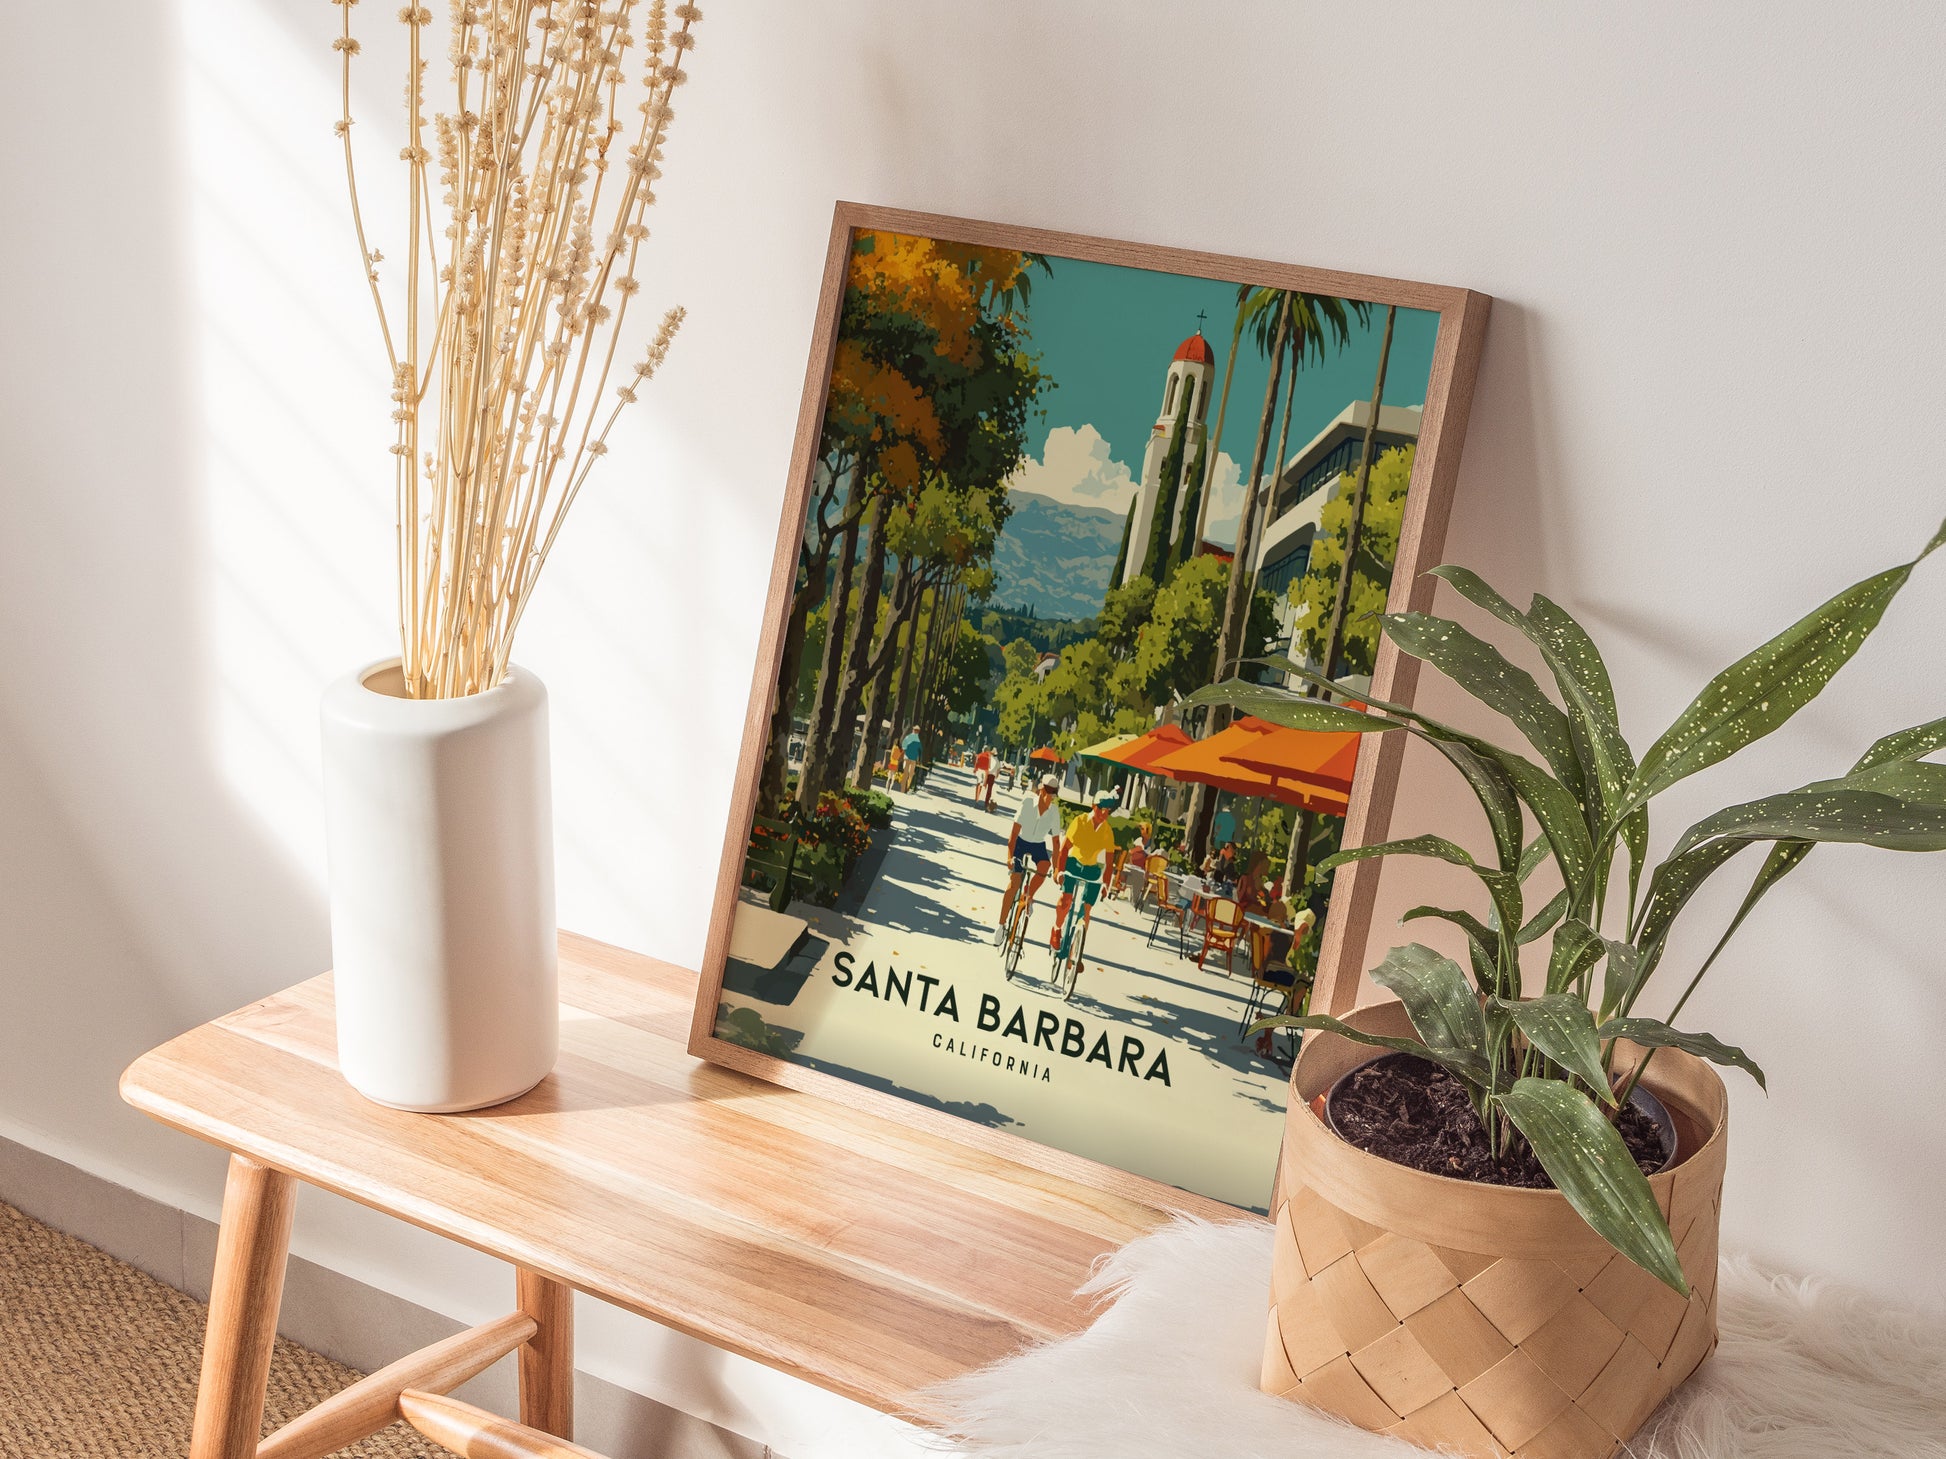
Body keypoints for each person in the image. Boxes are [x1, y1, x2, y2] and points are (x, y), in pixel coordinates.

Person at [1052, 789, 1120, 963]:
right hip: (1073, 863)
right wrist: (1059, 871)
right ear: (1093, 806)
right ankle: (1057, 928)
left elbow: (1110, 861)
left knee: (1086, 910)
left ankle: (1075, 952)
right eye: (1101, 808)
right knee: (1066, 901)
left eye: (1108, 809)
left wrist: (1106, 884)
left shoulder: (1107, 830)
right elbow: (1065, 848)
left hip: (1091, 869)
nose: (1104, 812)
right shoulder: (1080, 821)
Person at [997, 774, 1064, 944]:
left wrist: (1057, 869)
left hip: (1038, 845)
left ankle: (1029, 896)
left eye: (1053, 792)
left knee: (1045, 865)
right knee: (1014, 883)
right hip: (1021, 841)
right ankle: (1001, 925)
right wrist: (1009, 858)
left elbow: (1056, 843)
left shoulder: (1054, 812)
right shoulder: (1027, 803)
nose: (1049, 796)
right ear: (1041, 790)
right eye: (1047, 791)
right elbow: (1013, 834)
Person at [1122, 822, 1152, 906]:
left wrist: (1140, 850)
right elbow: (1131, 852)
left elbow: (1148, 857)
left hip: (1141, 868)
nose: (1141, 831)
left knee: (1139, 875)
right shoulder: (1139, 840)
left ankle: (1134, 899)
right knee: (1132, 873)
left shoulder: (1150, 844)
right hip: (1132, 865)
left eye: (1142, 829)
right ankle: (1130, 895)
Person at [900, 726, 923, 793]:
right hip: (911, 758)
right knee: (910, 774)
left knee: (907, 773)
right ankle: (905, 788)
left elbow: (904, 745)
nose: (916, 731)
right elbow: (920, 750)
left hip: (909, 758)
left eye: (917, 730)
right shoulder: (916, 739)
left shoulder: (909, 737)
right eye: (916, 730)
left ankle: (904, 788)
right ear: (913, 730)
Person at [973, 745, 996, 810]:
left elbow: (976, 763)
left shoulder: (979, 755)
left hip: (979, 770)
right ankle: (979, 799)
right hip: (985, 771)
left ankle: (977, 799)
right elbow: (989, 766)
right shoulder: (989, 757)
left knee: (978, 784)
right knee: (983, 785)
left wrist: (975, 769)